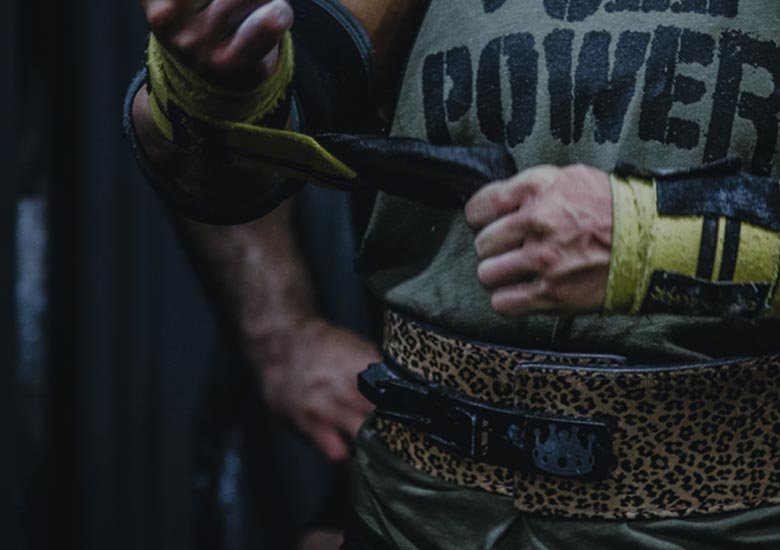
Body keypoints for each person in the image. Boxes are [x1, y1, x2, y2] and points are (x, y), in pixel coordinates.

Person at [128, 0, 780, 548]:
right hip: (415, 511)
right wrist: (215, 86)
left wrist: (661, 240)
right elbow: (224, 161)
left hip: (728, 519)